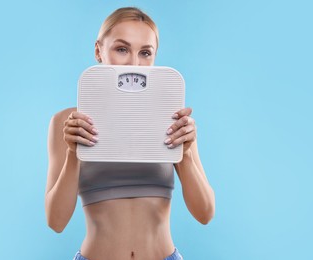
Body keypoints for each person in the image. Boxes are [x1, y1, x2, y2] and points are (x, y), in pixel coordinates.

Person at [45, 7, 215, 260]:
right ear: (98, 51)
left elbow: (205, 214)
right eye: (122, 49)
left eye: (145, 53)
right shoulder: (67, 122)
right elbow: (56, 222)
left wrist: (186, 154)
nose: (134, 63)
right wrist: (73, 152)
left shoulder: (172, 117)